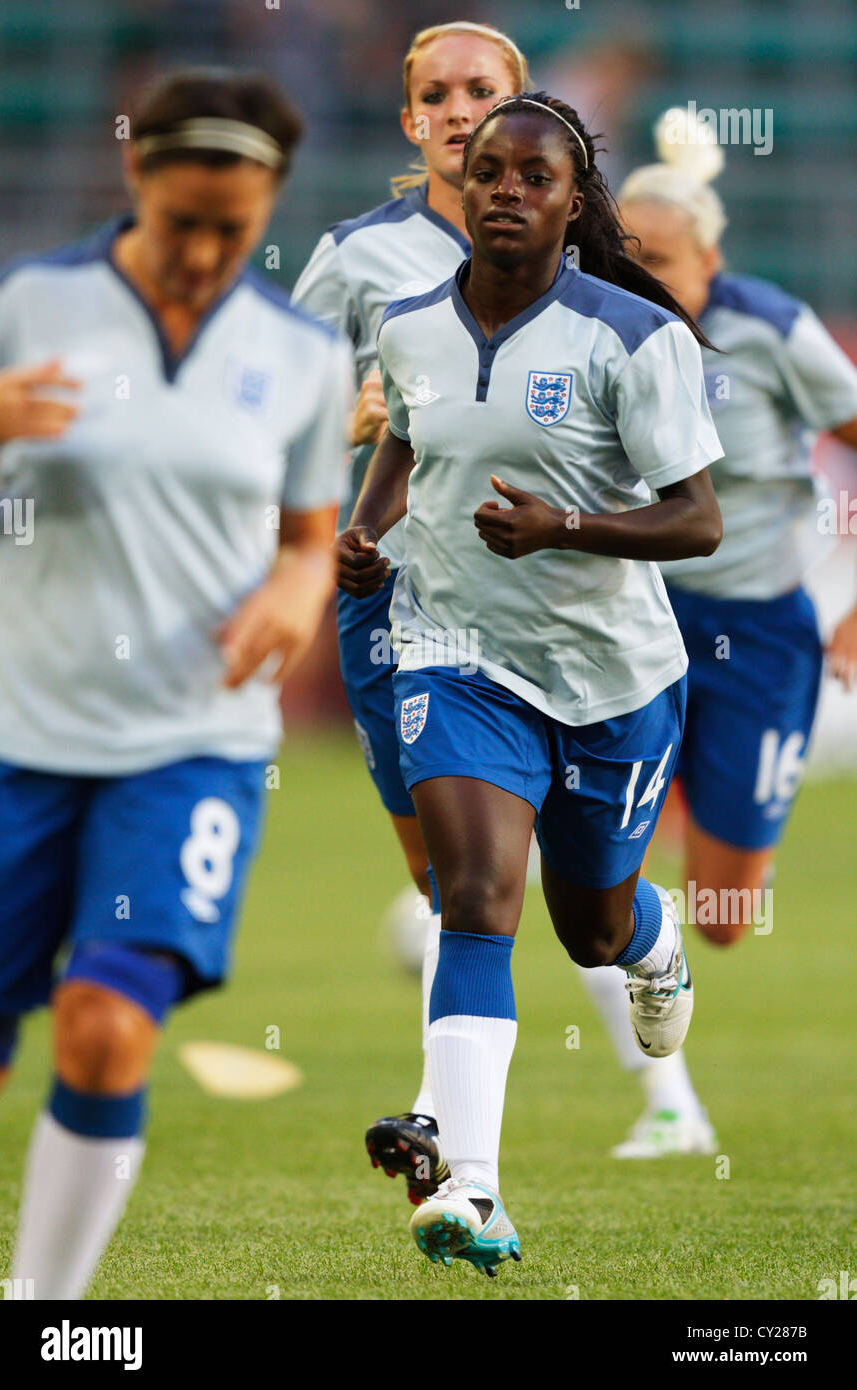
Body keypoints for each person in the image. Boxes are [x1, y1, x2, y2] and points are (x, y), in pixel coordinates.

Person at [336, 92, 724, 1274]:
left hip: (611, 678)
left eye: (535, 177)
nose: (506, 189)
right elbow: (408, 432)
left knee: (589, 927)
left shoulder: (630, 338)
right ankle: (474, 1187)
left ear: (571, 203)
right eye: (489, 171)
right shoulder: (408, 325)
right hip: (455, 655)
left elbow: (697, 522)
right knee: (475, 895)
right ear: (462, 190)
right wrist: (365, 529)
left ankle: (654, 945)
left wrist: (564, 525)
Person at [0, 68, 350, 1299]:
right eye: (181, 218)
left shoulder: (298, 354)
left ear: (268, 209)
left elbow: (311, 534)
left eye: (232, 229)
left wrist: (299, 594)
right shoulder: (30, 302)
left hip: (190, 739)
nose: (202, 250)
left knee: (105, 1020)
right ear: (134, 178)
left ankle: (42, 1315)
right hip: (16, 734)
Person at [573, 107, 857, 1160]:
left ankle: (688, 885)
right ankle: (668, 1104)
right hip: (633, 622)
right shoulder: (593, 331)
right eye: (626, 256)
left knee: (726, 910)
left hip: (760, 629)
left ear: (711, 256)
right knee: (597, 863)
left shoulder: (770, 329)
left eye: (663, 259)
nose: (643, 273)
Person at [292, 20, 529, 1206]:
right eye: (431, 94)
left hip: (525, 605)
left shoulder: (579, 256)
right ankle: (457, 1145)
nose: (453, 107)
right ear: (407, 121)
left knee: (527, 887)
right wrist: (348, 418)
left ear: (517, 109)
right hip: (390, 596)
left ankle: (455, 1134)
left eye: (477, 90)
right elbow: (277, 415)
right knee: (452, 887)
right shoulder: (355, 258)